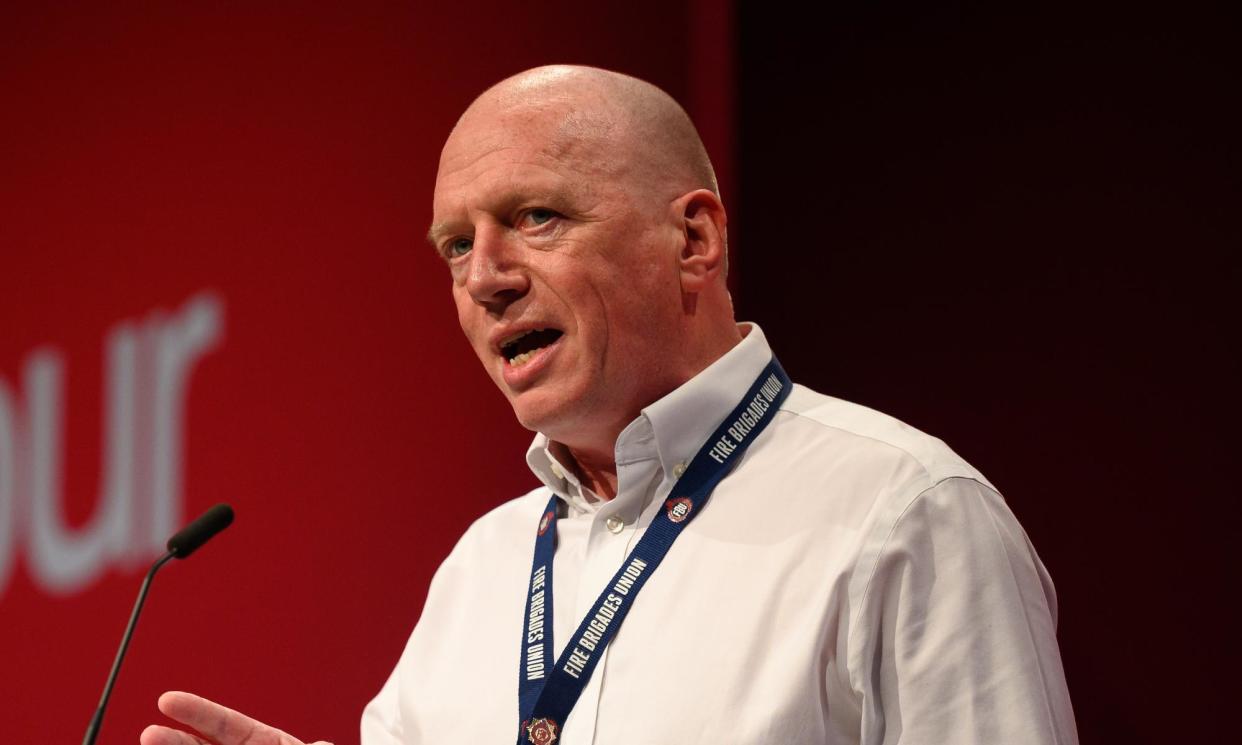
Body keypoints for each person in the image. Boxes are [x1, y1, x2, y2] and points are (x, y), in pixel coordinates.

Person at [141, 65, 1078, 745]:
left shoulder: (901, 511)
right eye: (455, 246)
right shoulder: (484, 569)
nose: (487, 279)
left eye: (537, 218)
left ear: (694, 240)